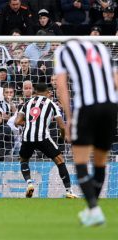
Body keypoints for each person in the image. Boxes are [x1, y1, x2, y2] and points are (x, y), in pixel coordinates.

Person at [55, 39, 118, 226]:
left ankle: (94, 209)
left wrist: (69, 118)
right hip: (110, 107)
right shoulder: (101, 48)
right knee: (100, 162)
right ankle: (92, 210)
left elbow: (61, 87)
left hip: (86, 108)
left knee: (81, 161)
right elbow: (115, 80)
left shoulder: (63, 50)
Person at [14, 83, 77, 199]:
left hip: (27, 136)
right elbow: (62, 126)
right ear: (47, 92)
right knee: (60, 161)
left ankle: (29, 183)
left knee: (23, 160)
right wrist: (62, 138)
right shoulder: (51, 104)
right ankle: (69, 191)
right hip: (43, 136)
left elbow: (16, 122)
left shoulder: (26, 104)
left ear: (35, 91)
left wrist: (30, 124)